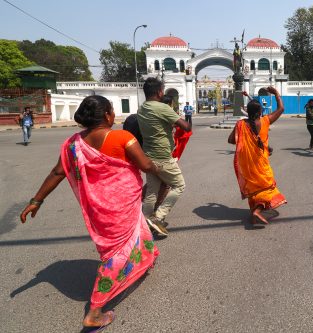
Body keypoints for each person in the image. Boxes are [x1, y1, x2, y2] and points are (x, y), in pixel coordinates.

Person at [19, 95, 159, 330]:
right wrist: (158, 166)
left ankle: (148, 256)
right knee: (116, 253)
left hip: (99, 208)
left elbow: (56, 173)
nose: (114, 115)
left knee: (138, 230)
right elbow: (144, 165)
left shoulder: (74, 144)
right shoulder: (123, 137)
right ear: (107, 115)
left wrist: (37, 200)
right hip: (122, 204)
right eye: (112, 110)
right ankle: (95, 310)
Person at [138, 78, 192, 236]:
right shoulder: (162, 108)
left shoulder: (142, 108)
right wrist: (181, 116)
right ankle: (158, 217)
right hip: (163, 156)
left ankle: (145, 221)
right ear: (159, 92)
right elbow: (186, 127)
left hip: (148, 156)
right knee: (179, 185)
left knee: (152, 192)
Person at [228, 86, 286, 225]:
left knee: (253, 187)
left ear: (247, 111)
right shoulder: (265, 121)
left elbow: (231, 140)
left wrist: (246, 140)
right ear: (260, 111)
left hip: (247, 163)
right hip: (261, 161)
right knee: (267, 186)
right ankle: (257, 211)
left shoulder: (241, 124)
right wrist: (276, 93)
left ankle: (254, 210)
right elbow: (281, 109)